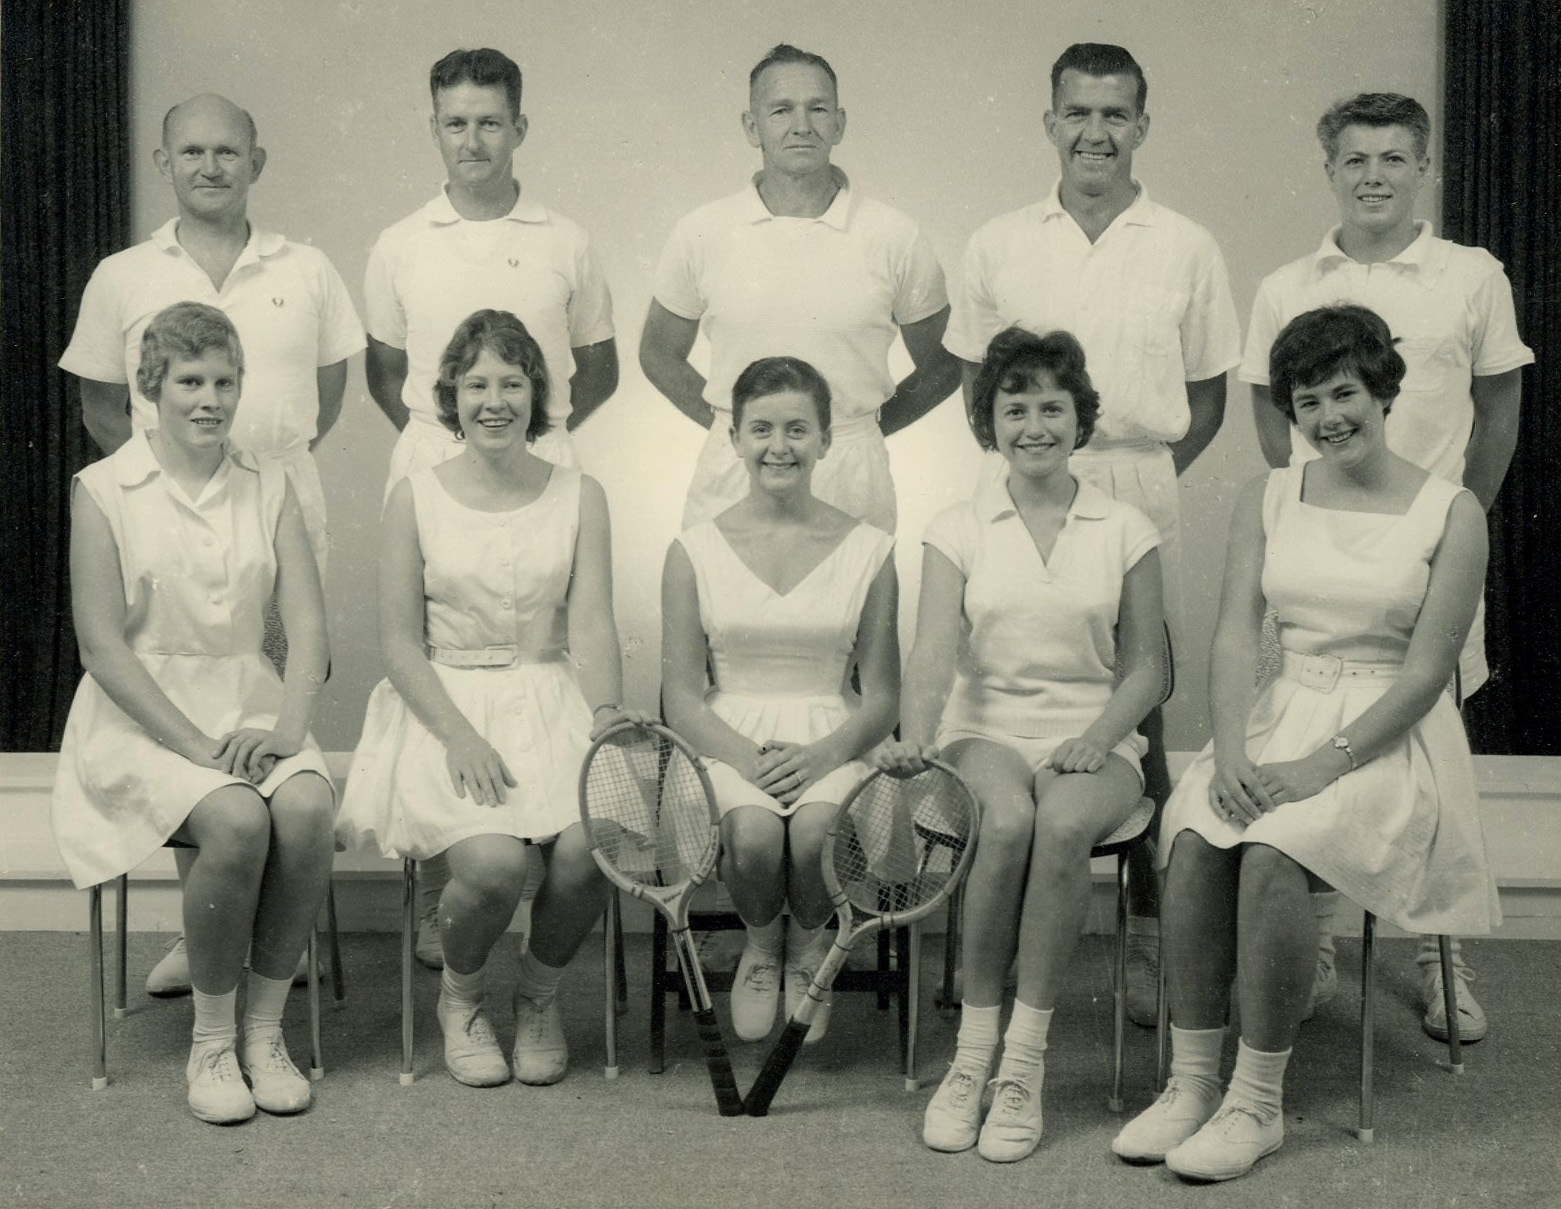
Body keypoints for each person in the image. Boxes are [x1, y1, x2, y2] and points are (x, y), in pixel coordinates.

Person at [1112, 305, 1498, 1182]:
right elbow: (1235, 638)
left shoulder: (1453, 510)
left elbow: (1426, 673)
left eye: (1344, 392)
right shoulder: (1270, 493)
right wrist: (1234, 751)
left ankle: (1255, 1099)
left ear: (1382, 389)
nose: (1328, 417)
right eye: (1307, 401)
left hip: (1385, 737)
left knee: (1276, 850)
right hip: (1276, 714)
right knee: (1195, 833)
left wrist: (1319, 765)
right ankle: (1191, 1081)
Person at [943, 44, 1240, 1014]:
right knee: (1011, 684)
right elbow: (974, 389)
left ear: (1142, 127)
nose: (1095, 133)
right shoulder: (998, 243)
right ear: (1048, 123)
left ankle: (1149, 938)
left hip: (1137, 485)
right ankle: (999, 939)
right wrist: (1051, 478)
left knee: (1138, 713)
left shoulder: (1185, 244)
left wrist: (1123, 497)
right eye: (1077, 113)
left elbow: (1204, 398)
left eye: (1116, 115)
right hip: (1027, 484)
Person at [1240, 93, 1534, 1039]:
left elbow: (1498, 411)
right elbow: (1273, 427)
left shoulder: (1470, 275)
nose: (1374, 174)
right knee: (1306, 720)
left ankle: (1440, 954)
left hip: (1427, 547)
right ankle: (1315, 937)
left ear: (1424, 171)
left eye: (1394, 158)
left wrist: (1454, 529)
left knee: (1429, 737)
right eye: (1355, 159)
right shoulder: (1287, 283)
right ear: (1329, 172)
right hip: (1327, 558)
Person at [58, 92, 364, 999]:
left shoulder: (304, 268)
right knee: (201, 745)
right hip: (165, 522)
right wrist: (168, 491)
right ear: (164, 164)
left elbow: (330, 392)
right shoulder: (122, 273)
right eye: (191, 150)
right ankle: (212, 939)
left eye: (228, 151)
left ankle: (273, 935)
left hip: (272, 517)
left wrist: (250, 474)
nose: (210, 165)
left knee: (268, 725)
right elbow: (102, 406)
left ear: (256, 162)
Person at [877, 328, 1164, 1162]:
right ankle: (971, 1059)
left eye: (1051, 406)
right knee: (1004, 823)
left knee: (1064, 825)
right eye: (1014, 408)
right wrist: (917, 739)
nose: (1034, 424)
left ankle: (1023, 1067)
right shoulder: (956, 524)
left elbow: (1147, 668)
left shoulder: (1126, 524)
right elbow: (931, 651)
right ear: (988, 423)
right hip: (984, 729)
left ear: (1081, 419)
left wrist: (1098, 736)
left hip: (1094, 731)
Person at [52, 303, 337, 1125]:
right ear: (151, 387)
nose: (210, 399)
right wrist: (197, 747)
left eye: (225, 381)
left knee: (310, 804)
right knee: (239, 819)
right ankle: (210, 1041)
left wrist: (287, 731)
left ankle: (263, 1031)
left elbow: (309, 627)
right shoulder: (103, 489)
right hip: (139, 716)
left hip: (251, 701)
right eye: (191, 381)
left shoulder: (271, 481)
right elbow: (103, 648)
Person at [365, 48, 619, 966]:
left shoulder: (565, 237)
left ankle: (510, 930)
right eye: (454, 122)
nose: (472, 138)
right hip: (443, 467)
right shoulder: (400, 241)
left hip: (532, 467)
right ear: (434, 128)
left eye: (489, 120)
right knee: (480, 825)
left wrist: (525, 440)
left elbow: (599, 366)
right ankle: (458, 899)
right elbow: (386, 373)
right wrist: (461, 449)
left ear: (520, 127)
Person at [337, 310, 633, 1088]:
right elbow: (400, 642)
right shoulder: (415, 496)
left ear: (538, 393)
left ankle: (538, 995)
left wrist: (606, 716)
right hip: (444, 704)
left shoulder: (581, 493)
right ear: (452, 395)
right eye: (476, 384)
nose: (493, 400)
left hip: (554, 695)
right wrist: (459, 735)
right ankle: (461, 997)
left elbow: (594, 624)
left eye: (511, 381)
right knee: (496, 866)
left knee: (590, 850)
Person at [661, 356, 899, 1044]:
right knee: (757, 833)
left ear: (826, 440)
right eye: (760, 429)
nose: (778, 446)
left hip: (834, 730)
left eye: (798, 429)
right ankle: (763, 948)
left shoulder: (870, 549)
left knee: (817, 832)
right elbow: (681, 695)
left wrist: (823, 754)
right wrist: (746, 758)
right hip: (727, 732)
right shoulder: (692, 549)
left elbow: (880, 697)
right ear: (733, 438)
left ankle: (806, 952)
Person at [641, 43, 960, 535]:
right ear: (752, 126)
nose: (801, 125)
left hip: (850, 469)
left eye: (817, 109)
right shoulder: (702, 231)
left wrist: (859, 430)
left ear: (840, 123)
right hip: (736, 468)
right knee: (721, 606)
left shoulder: (893, 235)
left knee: (855, 607)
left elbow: (943, 364)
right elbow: (658, 351)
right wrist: (736, 430)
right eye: (781, 110)